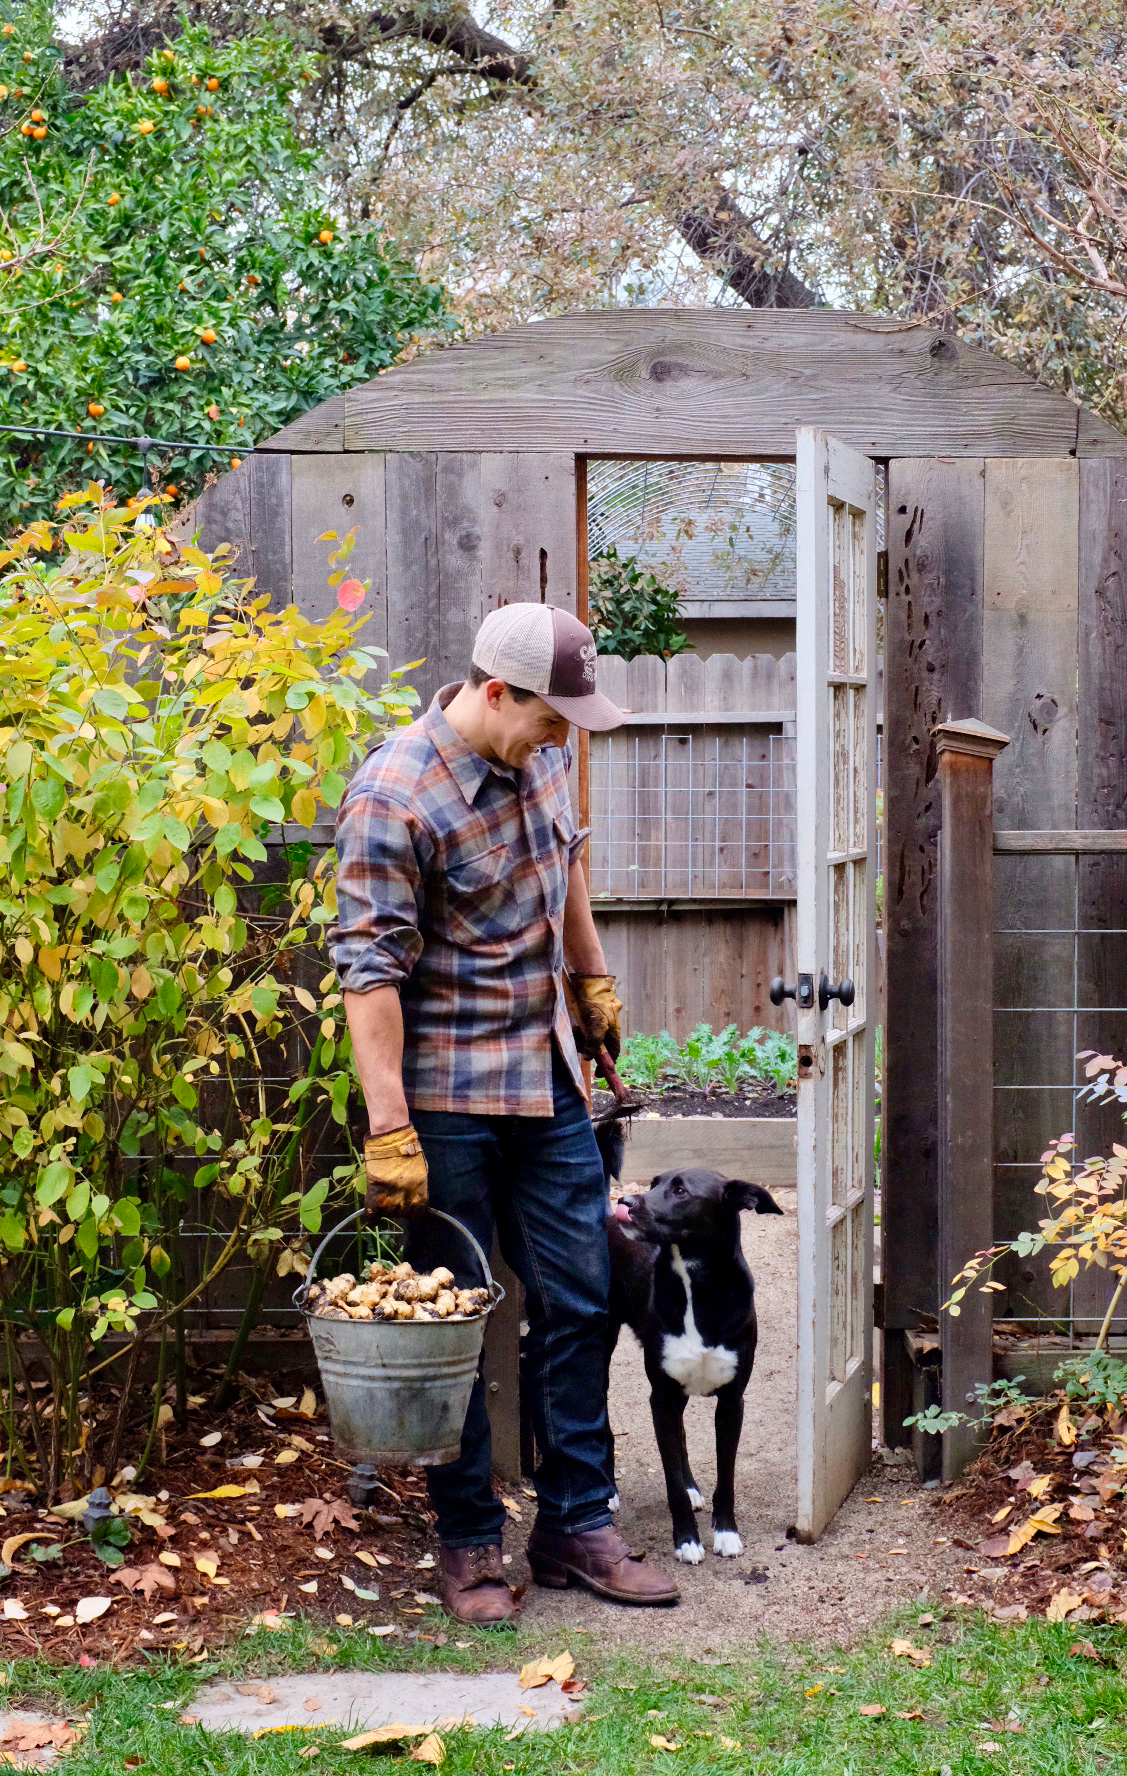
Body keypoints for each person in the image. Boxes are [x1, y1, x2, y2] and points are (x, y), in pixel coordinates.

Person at [330, 602, 680, 1625]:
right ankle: (469, 1543)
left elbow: (563, 860)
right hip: (446, 1105)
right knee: (458, 1326)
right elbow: (367, 975)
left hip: (549, 1082)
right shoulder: (395, 795)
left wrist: (592, 977)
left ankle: (576, 1523)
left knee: (579, 1303)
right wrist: (389, 1127)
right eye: (547, 717)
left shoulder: (543, 760)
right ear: (493, 694)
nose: (559, 736)